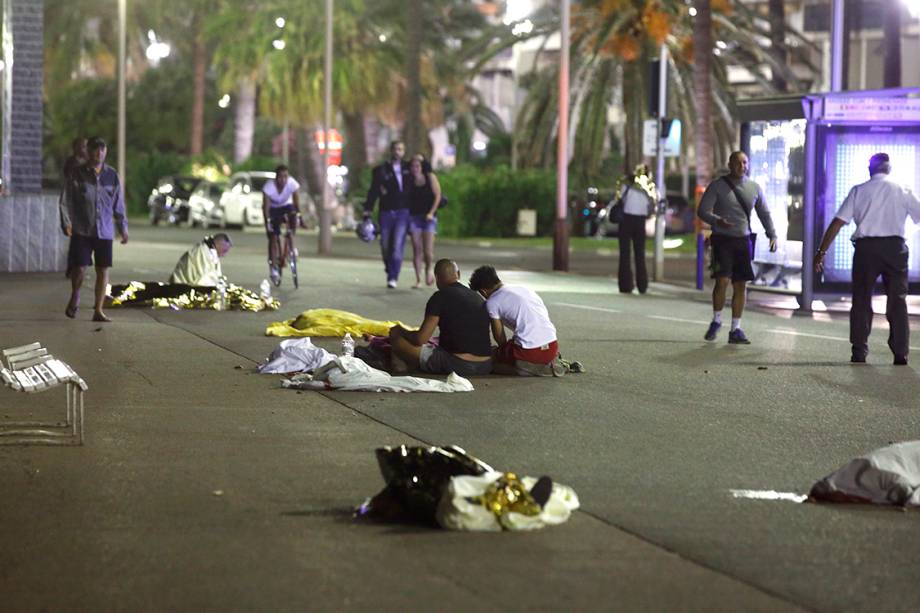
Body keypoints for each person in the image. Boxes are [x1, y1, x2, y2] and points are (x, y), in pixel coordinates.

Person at [815, 152, 920, 365]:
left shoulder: (859, 190)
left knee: (861, 299)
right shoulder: (904, 189)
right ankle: (901, 352)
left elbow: (837, 223)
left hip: (866, 250)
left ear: (870, 169)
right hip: (895, 249)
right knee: (898, 301)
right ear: (889, 169)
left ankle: (859, 350)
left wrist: (821, 252)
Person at [697, 151, 777, 344]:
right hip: (722, 240)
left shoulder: (754, 187)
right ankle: (716, 320)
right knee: (722, 281)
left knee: (741, 284)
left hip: (743, 240)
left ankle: (736, 329)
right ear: (730, 164)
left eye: (745, 162)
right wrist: (717, 221)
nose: (742, 166)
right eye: (738, 162)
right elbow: (702, 211)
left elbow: (764, 213)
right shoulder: (717, 186)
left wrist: (772, 234)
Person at [59, 137, 128, 322]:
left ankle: (98, 310)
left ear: (106, 152)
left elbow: (118, 204)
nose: (99, 153)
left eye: (102, 150)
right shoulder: (77, 174)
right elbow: (66, 200)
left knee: (103, 270)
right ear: (89, 152)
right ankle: (75, 295)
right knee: (79, 268)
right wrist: (66, 222)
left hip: (104, 231)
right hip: (82, 230)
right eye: (96, 150)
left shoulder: (112, 176)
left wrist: (123, 227)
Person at [388, 259, 493, 377]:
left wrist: (401, 331)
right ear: (458, 275)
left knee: (397, 338)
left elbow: (420, 339)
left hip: (457, 365)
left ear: (437, 278)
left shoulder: (440, 297)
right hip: (485, 365)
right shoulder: (477, 297)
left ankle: (401, 368)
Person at [468, 265, 560, 375]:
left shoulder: (492, 302)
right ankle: (551, 362)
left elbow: (499, 336)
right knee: (513, 344)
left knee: (490, 358)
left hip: (530, 352)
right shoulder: (524, 289)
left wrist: (502, 353)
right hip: (552, 346)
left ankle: (535, 369)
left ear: (483, 291)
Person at [364, 140, 410, 288]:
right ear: (391, 151)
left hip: (403, 213)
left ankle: (393, 276)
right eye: (396, 149)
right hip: (386, 213)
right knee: (385, 245)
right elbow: (373, 191)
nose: (398, 152)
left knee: (397, 245)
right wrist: (368, 210)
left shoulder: (409, 168)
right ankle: (389, 266)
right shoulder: (381, 170)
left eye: (401, 149)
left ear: (404, 152)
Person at [617, 167, 655, 294]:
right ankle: (642, 285)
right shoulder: (648, 190)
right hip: (640, 221)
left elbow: (619, 201)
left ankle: (625, 284)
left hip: (626, 221)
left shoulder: (626, 187)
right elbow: (652, 207)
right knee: (640, 254)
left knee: (625, 254)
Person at [262, 165, 300, 286]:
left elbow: (296, 202)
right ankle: (273, 268)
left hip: (285, 206)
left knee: (294, 213)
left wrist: (297, 217)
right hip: (273, 209)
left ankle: (291, 247)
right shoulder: (268, 187)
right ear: (276, 177)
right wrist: (267, 223)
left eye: (285, 176)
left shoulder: (292, 183)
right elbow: (266, 207)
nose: (283, 180)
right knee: (273, 237)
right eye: (280, 177)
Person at [407, 154, 442, 288]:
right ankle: (418, 279)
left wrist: (431, 213)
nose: (414, 168)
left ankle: (428, 269)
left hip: (429, 218)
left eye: (417, 166)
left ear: (422, 167)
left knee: (428, 251)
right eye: (412, 166)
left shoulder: (430, 177)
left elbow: (438, 195)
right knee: (417, 248)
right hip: (414, 217)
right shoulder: (409, 180)